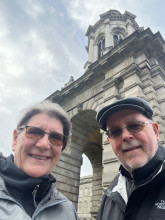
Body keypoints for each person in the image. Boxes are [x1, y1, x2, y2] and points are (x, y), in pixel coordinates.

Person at [0, 100, 79, 219]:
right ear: (15, 139)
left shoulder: (68, 211)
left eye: (56, 138)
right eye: (35, 132)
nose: (44, 144)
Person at [96, 97, 165, 220]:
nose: (126, 136)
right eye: (115, 132)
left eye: (135, 125)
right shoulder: (109, 195)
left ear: (155, 131)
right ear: (109, 141)